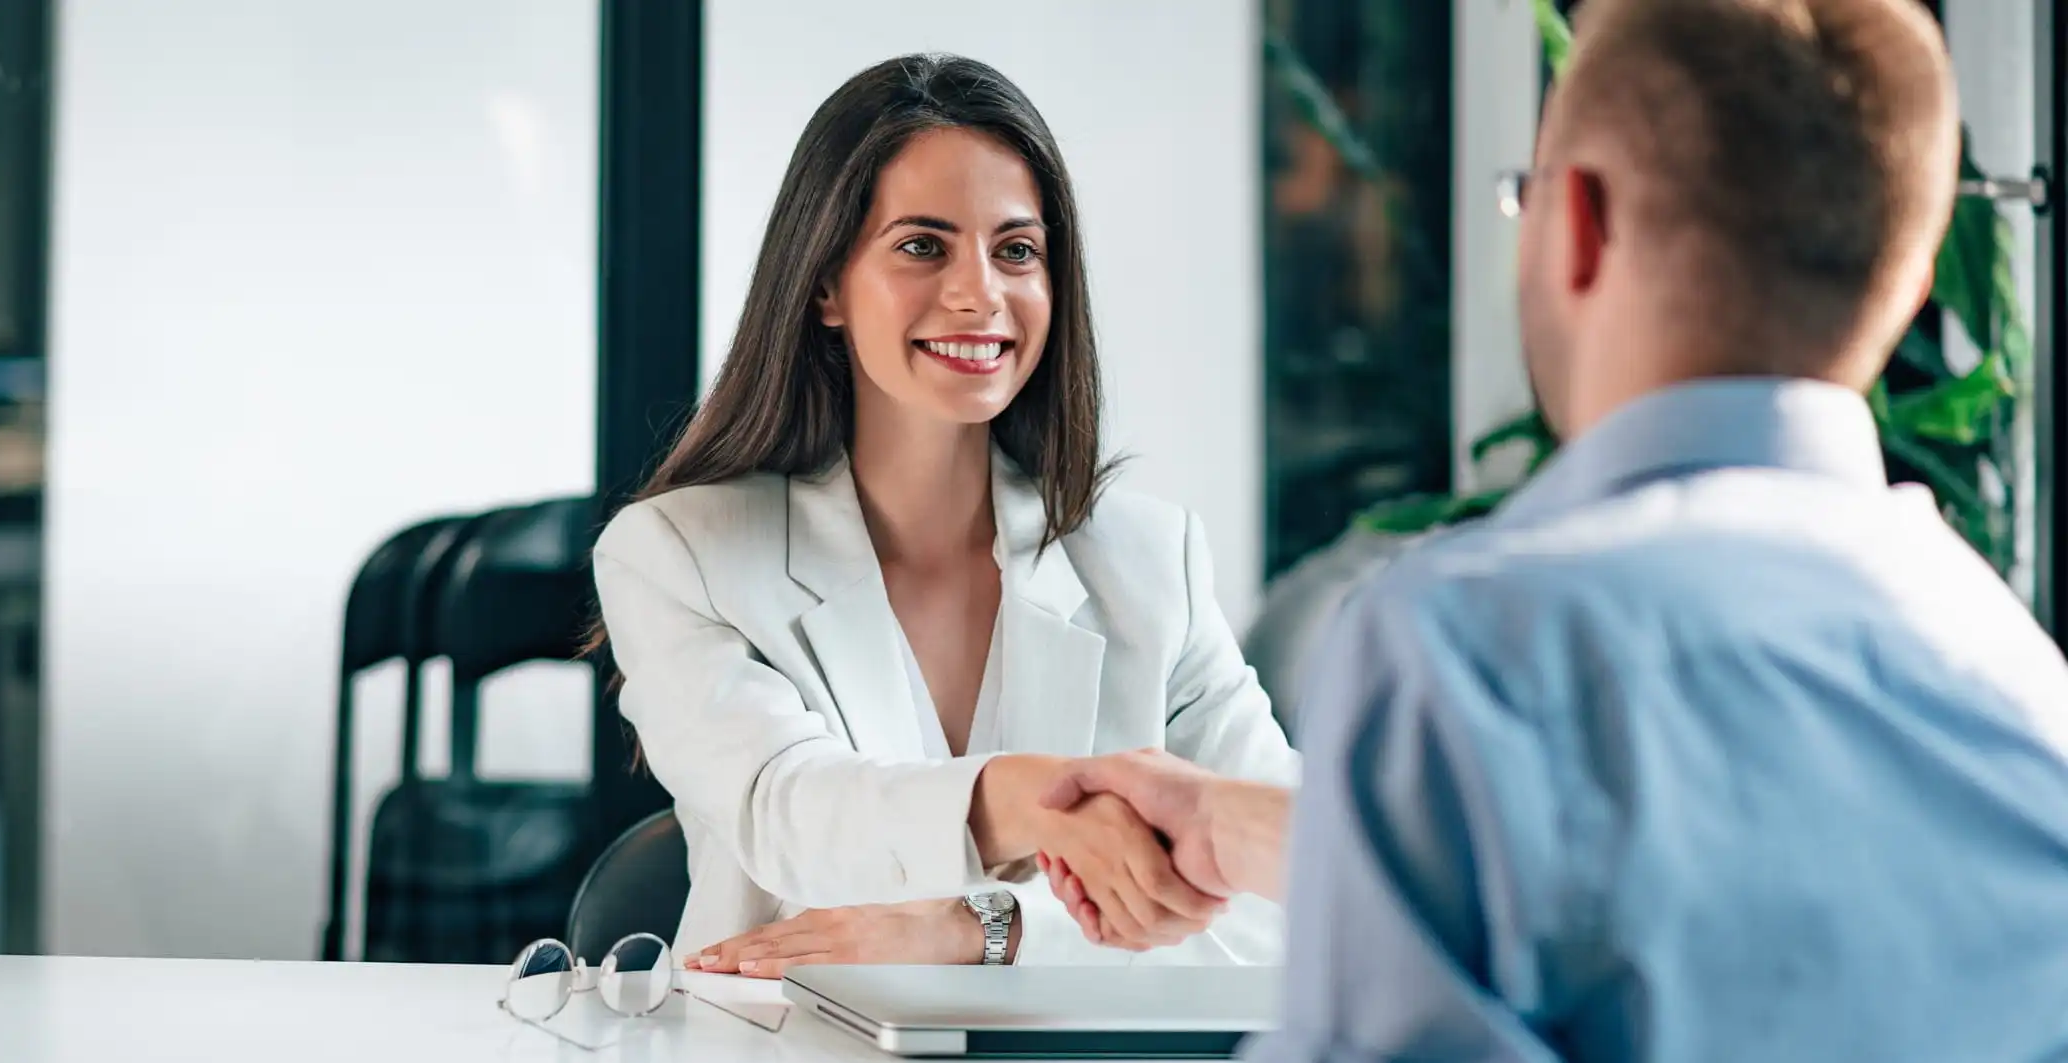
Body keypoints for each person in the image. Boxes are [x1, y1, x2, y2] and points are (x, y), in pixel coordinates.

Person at [1040, 0, 2068, 1059]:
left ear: (1577, 220)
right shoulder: (2018, 685)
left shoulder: (1471, 653)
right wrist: (1239, 830)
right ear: (1904, 269)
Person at [587, 53, 1300, 978]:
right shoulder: (679, 554)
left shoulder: (1151, 559)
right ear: (825, 285)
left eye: (1016, 250)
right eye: (923, 245)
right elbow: (788, 811)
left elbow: (1299, 889)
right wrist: (1048, 802)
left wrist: (988, 930)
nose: (980, 293)